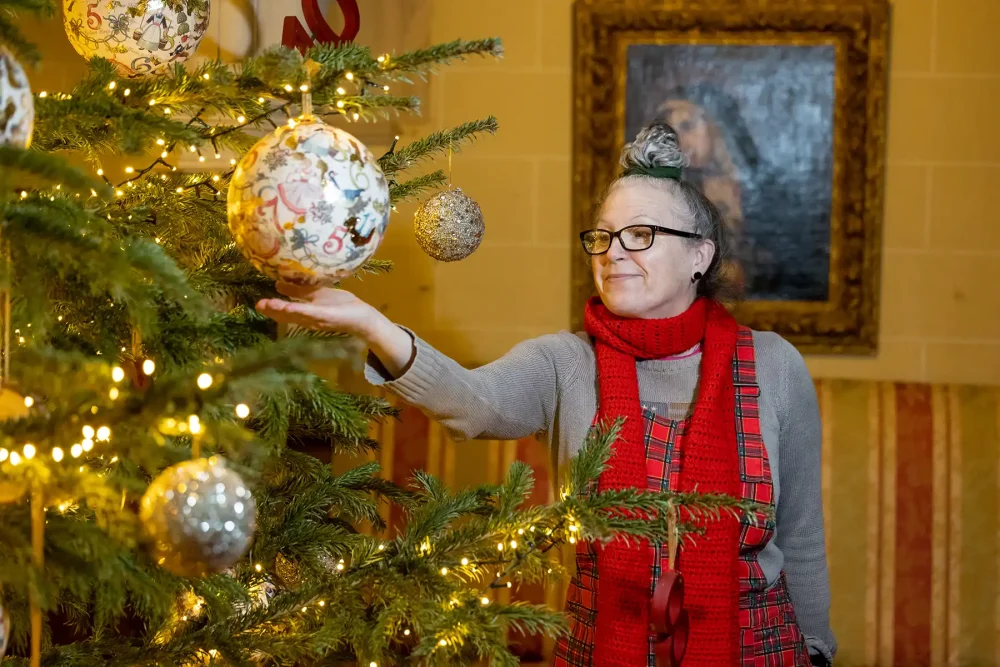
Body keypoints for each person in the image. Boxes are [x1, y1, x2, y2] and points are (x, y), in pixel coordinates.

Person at [256, 122, 835, 667]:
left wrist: (816, 650)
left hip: (757, 649)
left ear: (699, 255)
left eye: (641, 235)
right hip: (600, 643)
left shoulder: (774, 366)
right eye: (604, 237)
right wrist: (370, 323)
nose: (613, 252)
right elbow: (472, 402)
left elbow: (802, 534)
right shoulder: (566, 362)